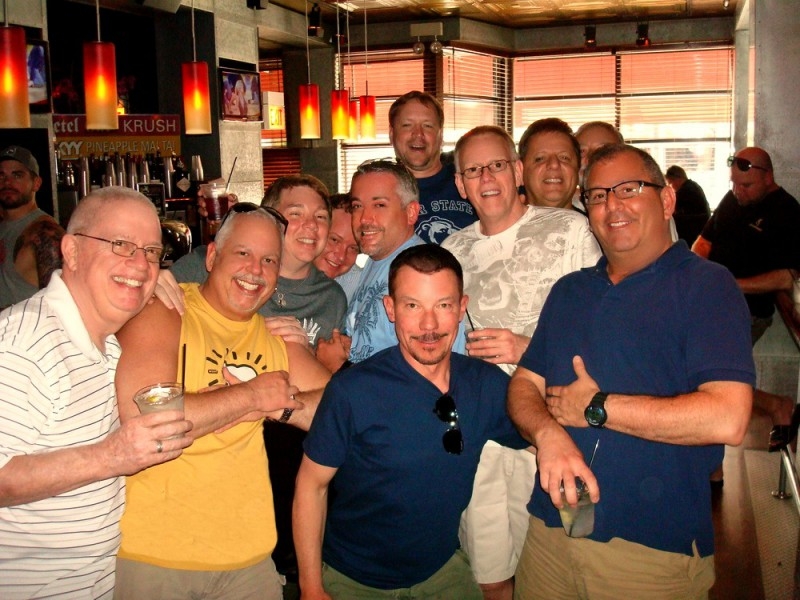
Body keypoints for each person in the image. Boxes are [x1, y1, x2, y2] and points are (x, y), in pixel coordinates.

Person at [508, 144, 755, 599]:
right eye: (598, 195)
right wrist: (547, 434)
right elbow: (525, 383)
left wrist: (598, 408)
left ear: (666, 200)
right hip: (548, 533)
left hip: (649, 551)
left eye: (628, 189)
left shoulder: (706, 286)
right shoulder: (570, 291)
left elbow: (728, 417)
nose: (612, 205)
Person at [113, 204, 331, 599]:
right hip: (156, 557)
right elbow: (147, 420)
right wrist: (251, 395)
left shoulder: (277, 338)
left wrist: (278, 405)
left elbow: (342, 416)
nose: (255, 270)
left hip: (250, 561)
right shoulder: (166, 311)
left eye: (269, 260)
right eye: (243, 253)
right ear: (212, 256)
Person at [293, 244, 528, 599]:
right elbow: (311, 486)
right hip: (352, 578)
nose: (428, 325)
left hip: (441, 570)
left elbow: (536, 426)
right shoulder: (353, 390)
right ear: (390, 309)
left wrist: (553, 438)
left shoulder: (485, 384)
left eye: (443, 305)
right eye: (412, 305)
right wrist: (311, 587)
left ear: (461, 308)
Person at [0, 186, 192, 599]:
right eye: (120, 244)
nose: (139, 264)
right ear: (71, 251)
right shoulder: (22, 343)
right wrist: (111, 456)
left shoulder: (105, 341)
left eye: (151, 252)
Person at [443, 125, 602, 600]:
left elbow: (601, 329)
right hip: (485, 437)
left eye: (496, 165)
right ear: (460, 184)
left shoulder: (570, 230)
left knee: (576, 559)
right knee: (490, 570)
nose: (486, 178)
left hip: (560, 428)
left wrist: (525, 348)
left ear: (516, 171)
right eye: (474, 170)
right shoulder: (453, 250)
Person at [693, 147, 800, 449]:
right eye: (734, 183)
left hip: (748, 310)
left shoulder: (787, 212)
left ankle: (777, 406)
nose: (738, 191)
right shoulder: (733, 199)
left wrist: (729, 284)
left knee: (705, 376)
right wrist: (694, 273)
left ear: (768, 177)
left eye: (746, 185)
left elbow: (787, 277)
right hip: (712, 303)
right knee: (698, 373)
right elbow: (704, 241)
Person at [169, 174, 347, 348]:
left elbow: (330, 362)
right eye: (296, 213)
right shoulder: (211, 263)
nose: (312, 225)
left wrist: (307, 354)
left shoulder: (332, 299)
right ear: (271, 220)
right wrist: (158, 280)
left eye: (321, 217)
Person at [389, 91, 477, 243]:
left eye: (428, 126)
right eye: (407, 125)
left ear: (440, 135)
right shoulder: (379, 190)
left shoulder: (470, 178)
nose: (418, 134)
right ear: (391, 134)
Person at [0, 145, 65, 308]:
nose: (7, 182)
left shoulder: (46, 233)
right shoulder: (5, 227)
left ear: (36, 183)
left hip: (24, 325)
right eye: (1, 175)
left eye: (17, 175)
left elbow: (59, 305)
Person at [517, 118, 581, 210]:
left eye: (564, 158)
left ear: (578, 169)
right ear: (520, 172)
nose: (554, 164)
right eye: (540, 159)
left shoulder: (596, 219)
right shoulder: (501, 219)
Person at [313, 192, 362, 303]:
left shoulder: (360, 287)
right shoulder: (278, 272)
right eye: (334, 240)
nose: (341, 256)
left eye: (353, 248)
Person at [665, 164, 710, 245]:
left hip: (693, 233)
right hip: (701, 230)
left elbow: (671, 210)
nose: (671, 187)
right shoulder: (693, 186)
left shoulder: (685, 191)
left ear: (678, 179)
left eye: (671, 183)